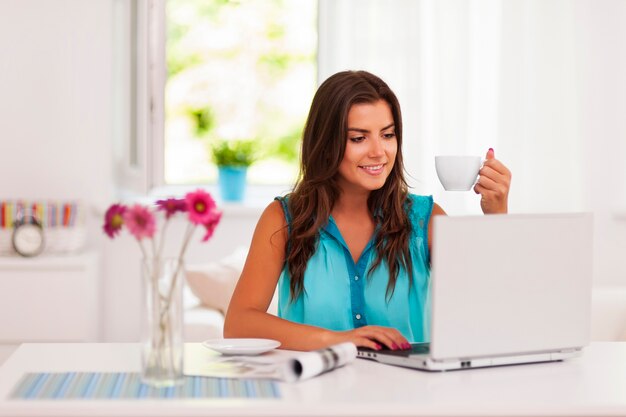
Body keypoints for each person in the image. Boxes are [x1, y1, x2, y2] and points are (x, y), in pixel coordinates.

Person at [224, 70, 511, 351]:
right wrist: (336, 340)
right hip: (313, 393)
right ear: (325, 145)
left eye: (387, 135)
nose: (379, 151)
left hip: (411, 393)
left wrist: (497, 215)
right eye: (358, 138)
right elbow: (239, 324)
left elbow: (488, 308)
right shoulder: (282, 218)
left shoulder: (425, 219)